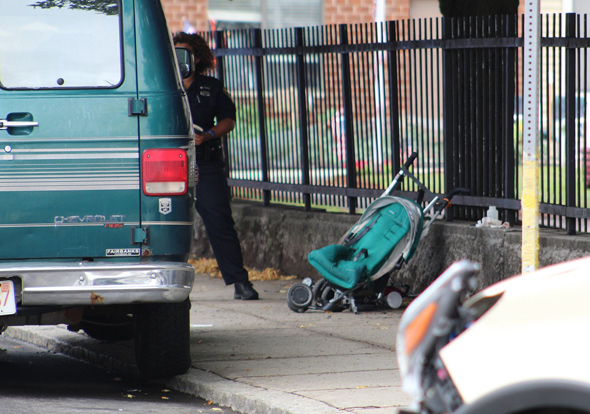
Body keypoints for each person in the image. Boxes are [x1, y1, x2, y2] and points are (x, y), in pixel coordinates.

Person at [174, 32, 259, 300]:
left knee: (220, 223)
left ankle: (240, 282)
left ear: (196, 57)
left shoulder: (210, 85)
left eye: (185, 53)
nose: (180, 59)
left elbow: (228, 120)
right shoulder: (162, 84)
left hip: (206, 164)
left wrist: (208, 135)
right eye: (175, 53)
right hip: (168, 167)